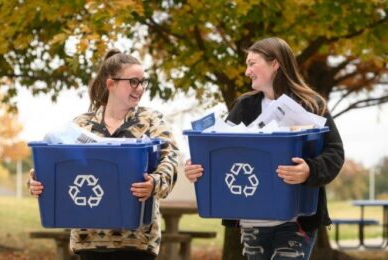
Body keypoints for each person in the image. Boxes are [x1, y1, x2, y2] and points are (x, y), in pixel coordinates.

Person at [185, 37, 344, 260]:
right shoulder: (244, 106)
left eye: (252, 63)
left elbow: (335, 152)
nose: (246, 71)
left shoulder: (310, 104)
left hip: (296, 223)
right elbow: (221, 152)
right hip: (252, 223)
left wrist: (310, 169)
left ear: (275, 63)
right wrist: (195, 167)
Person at [28, 49, 179, 260]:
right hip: (88, 239)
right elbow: (54, 165)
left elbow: (170, 158)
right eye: (133, 82)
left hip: (137, 241)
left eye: (143, 82)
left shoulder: (151, 120)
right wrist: (36, 182)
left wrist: (154, 182)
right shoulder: (80, 126)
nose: (140, 88)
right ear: (111, 83)